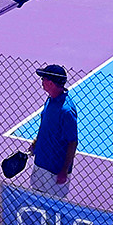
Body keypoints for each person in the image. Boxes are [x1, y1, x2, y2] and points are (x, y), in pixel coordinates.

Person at [28, 64, 78, 197]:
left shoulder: (66, 111)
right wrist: (35, 143)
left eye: (43, 79)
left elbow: (72, 142)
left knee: (54, 207)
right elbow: (45, 125)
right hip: (40, 163)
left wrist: (64, 170)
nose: (42, 82)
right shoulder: (50, 99)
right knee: (36, 201)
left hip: (55, 171)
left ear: (50, 83)